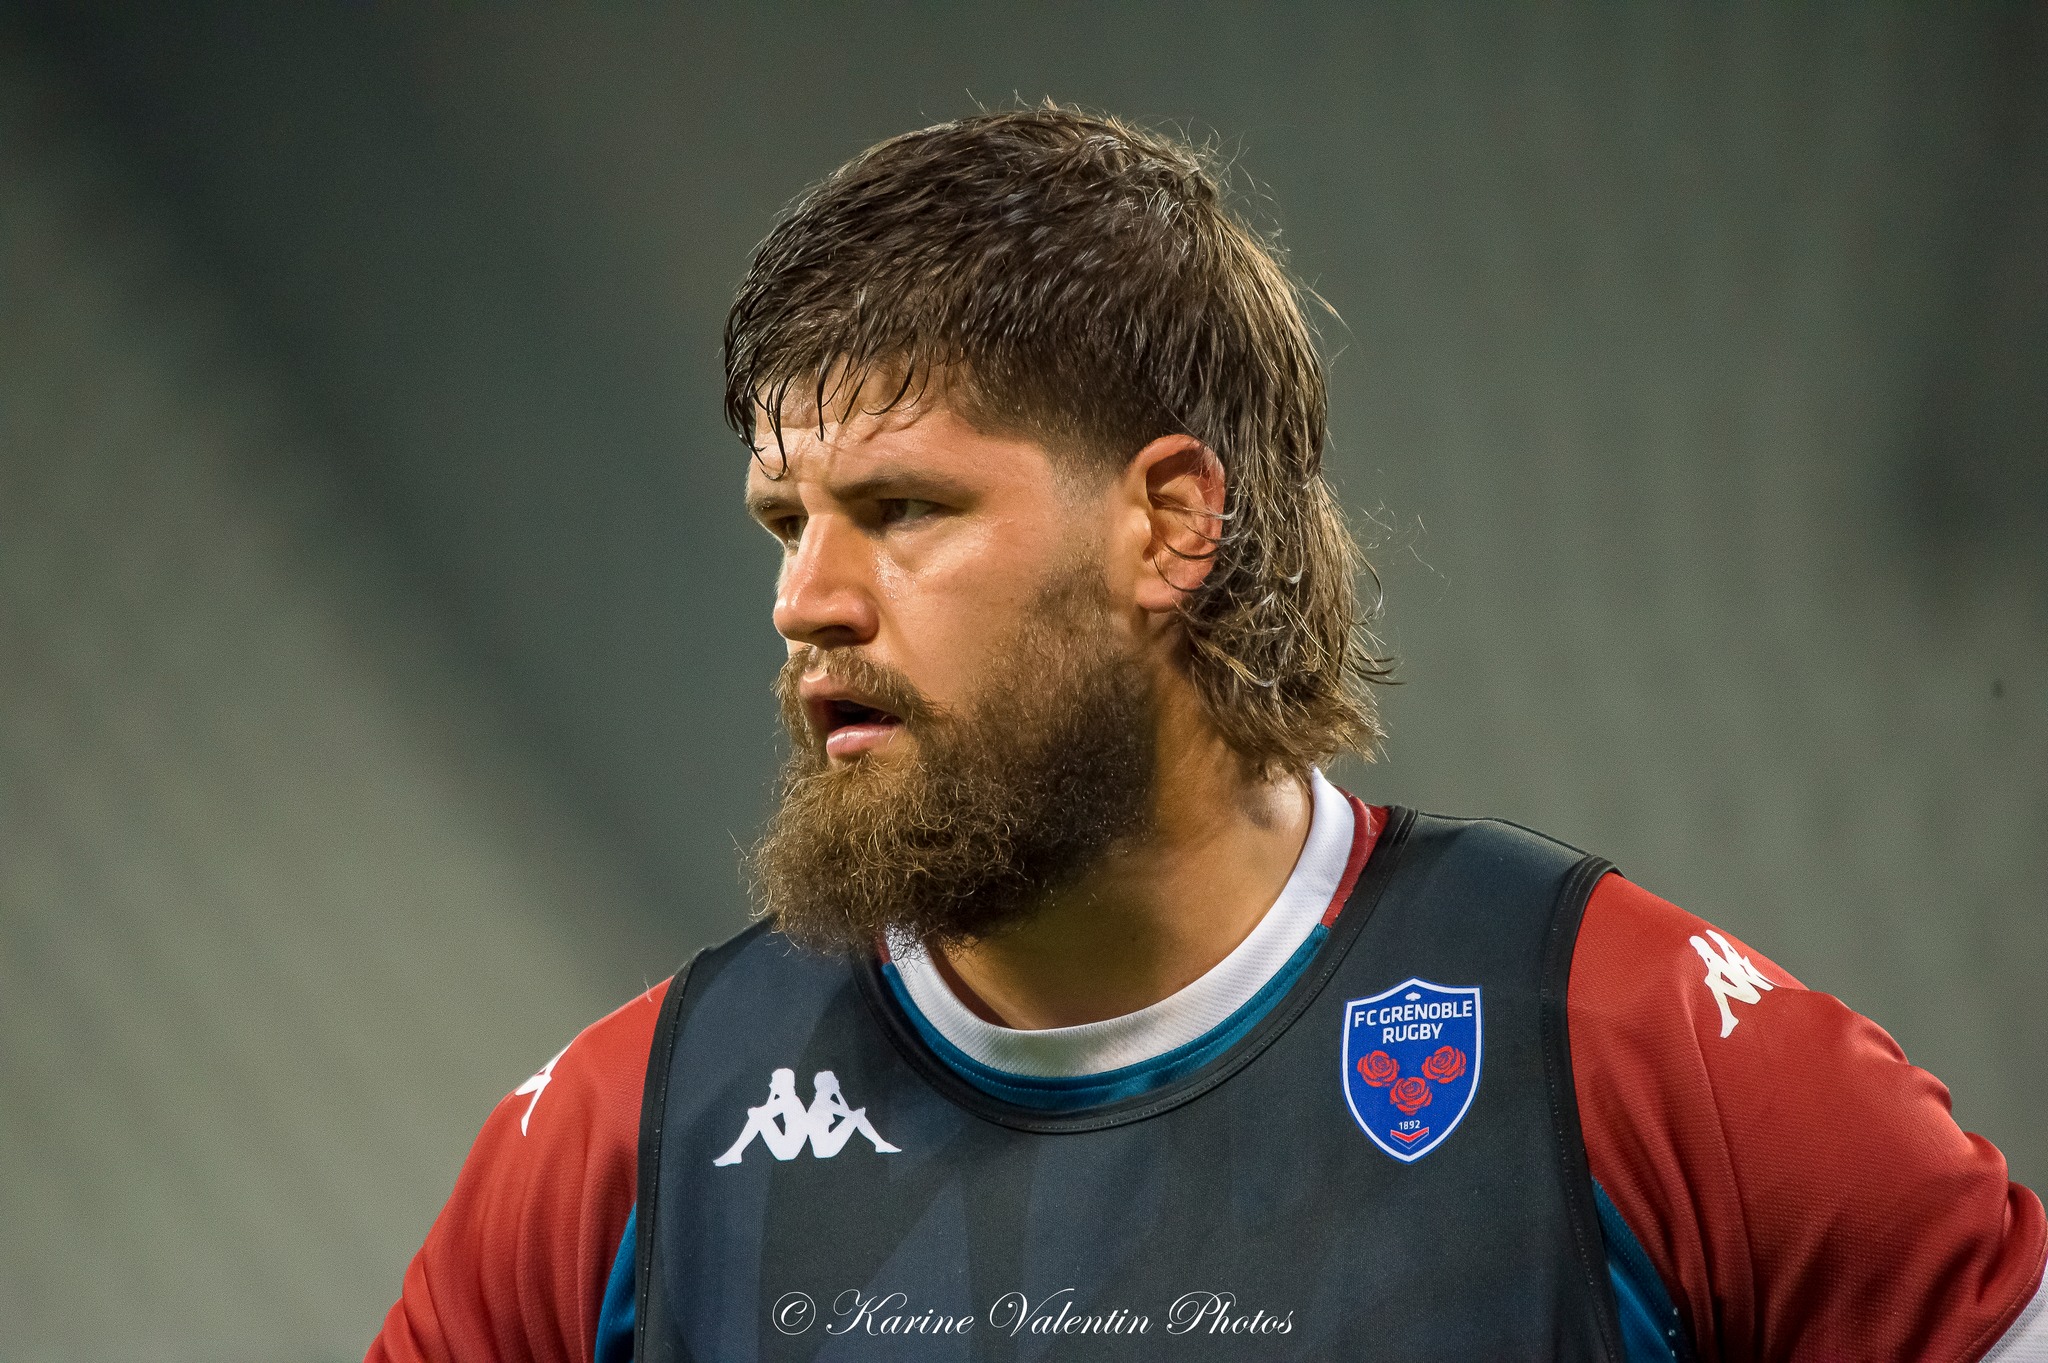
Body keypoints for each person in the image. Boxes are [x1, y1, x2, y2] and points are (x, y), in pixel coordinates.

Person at [364, 108, 2045, 1363]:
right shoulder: (627, 1143)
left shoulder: (1624, 1052)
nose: (809, 601)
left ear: (1171, 525)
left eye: (900, 508)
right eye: (783, 523)